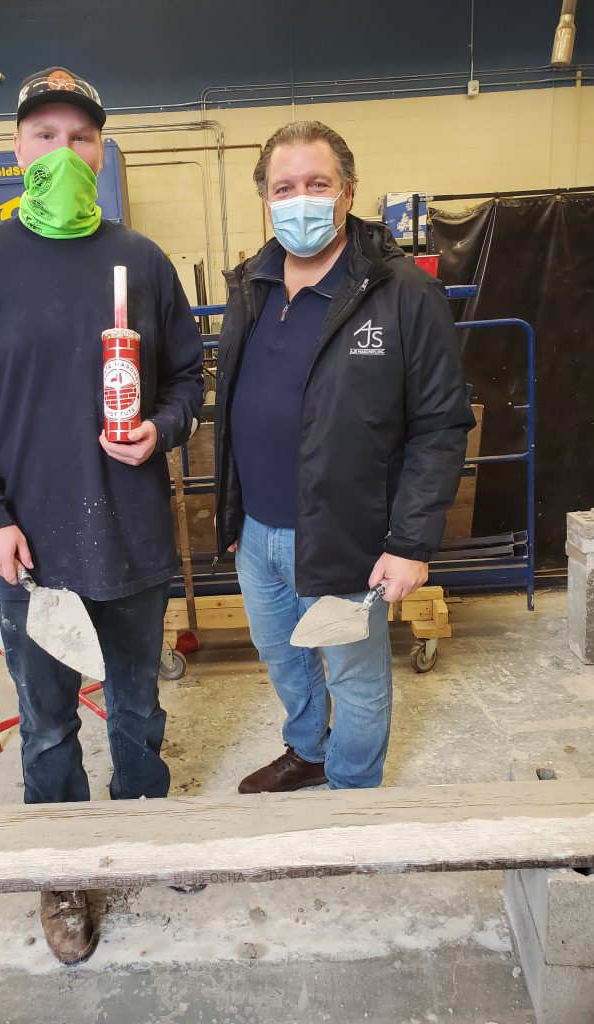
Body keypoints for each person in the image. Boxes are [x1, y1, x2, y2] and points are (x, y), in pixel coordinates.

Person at [0, 67, 204, 964]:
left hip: (130, 534)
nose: (64, 150)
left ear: (102, 150)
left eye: (81, 137)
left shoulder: (143, 260)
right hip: (28, 547)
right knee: (47, 722)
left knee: (135, 707)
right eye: (45, 135)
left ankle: (145, 827)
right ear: (18, 150)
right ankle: (63, 869)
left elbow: (190, 380)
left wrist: (160, 429)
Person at [214, 120, 474, 796]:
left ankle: (353, 795)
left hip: (347, 535)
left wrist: (412, 543)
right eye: (284, 187)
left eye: (317, 183)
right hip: (258, 535)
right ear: (266, 200)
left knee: (355, 676)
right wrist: (235, 514)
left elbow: (442, 424)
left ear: (347, 191)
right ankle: (308, 750)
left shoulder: (401, 294)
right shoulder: (250, 286)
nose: (300, 198)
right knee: (284, 661)